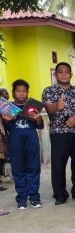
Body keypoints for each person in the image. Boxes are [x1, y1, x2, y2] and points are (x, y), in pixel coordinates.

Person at [42, 62, 75, 205]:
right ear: (55, 74)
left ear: (71, 74)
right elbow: (49, 109)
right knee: (58, 165)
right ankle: (60, 195)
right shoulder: (49, 91)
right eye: (60, 72)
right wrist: (57, 106)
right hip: (59, 133)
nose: (64, 74)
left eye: (66, 72)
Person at [3, 79, 44, 209]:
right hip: (15, 138)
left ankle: (34, 198)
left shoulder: (33, 106)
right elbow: (7, 128)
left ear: (27, 92)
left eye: (24, 91)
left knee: (33, 167)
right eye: (18, 91)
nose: (21, 94)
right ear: (14, 92)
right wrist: (6, 120)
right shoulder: (8, 107)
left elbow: (41, 125)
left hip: (31, 136)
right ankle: (21, 199)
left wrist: (38, 118)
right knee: (18, 168)